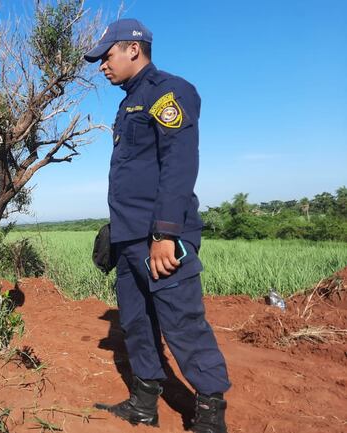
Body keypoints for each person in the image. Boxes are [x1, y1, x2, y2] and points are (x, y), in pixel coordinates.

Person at [84, 19, 229, 432]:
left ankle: (209, 416)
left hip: (159, 239)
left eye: (107, 56)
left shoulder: (169, 92)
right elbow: (136, 177)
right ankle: (144, 404)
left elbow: (179, 168)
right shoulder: (128, 101)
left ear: (133, 49)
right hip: (130, 239)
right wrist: (117, 232)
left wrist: (164, 233)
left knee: (182, 324)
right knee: (135, 322)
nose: (102, 66)